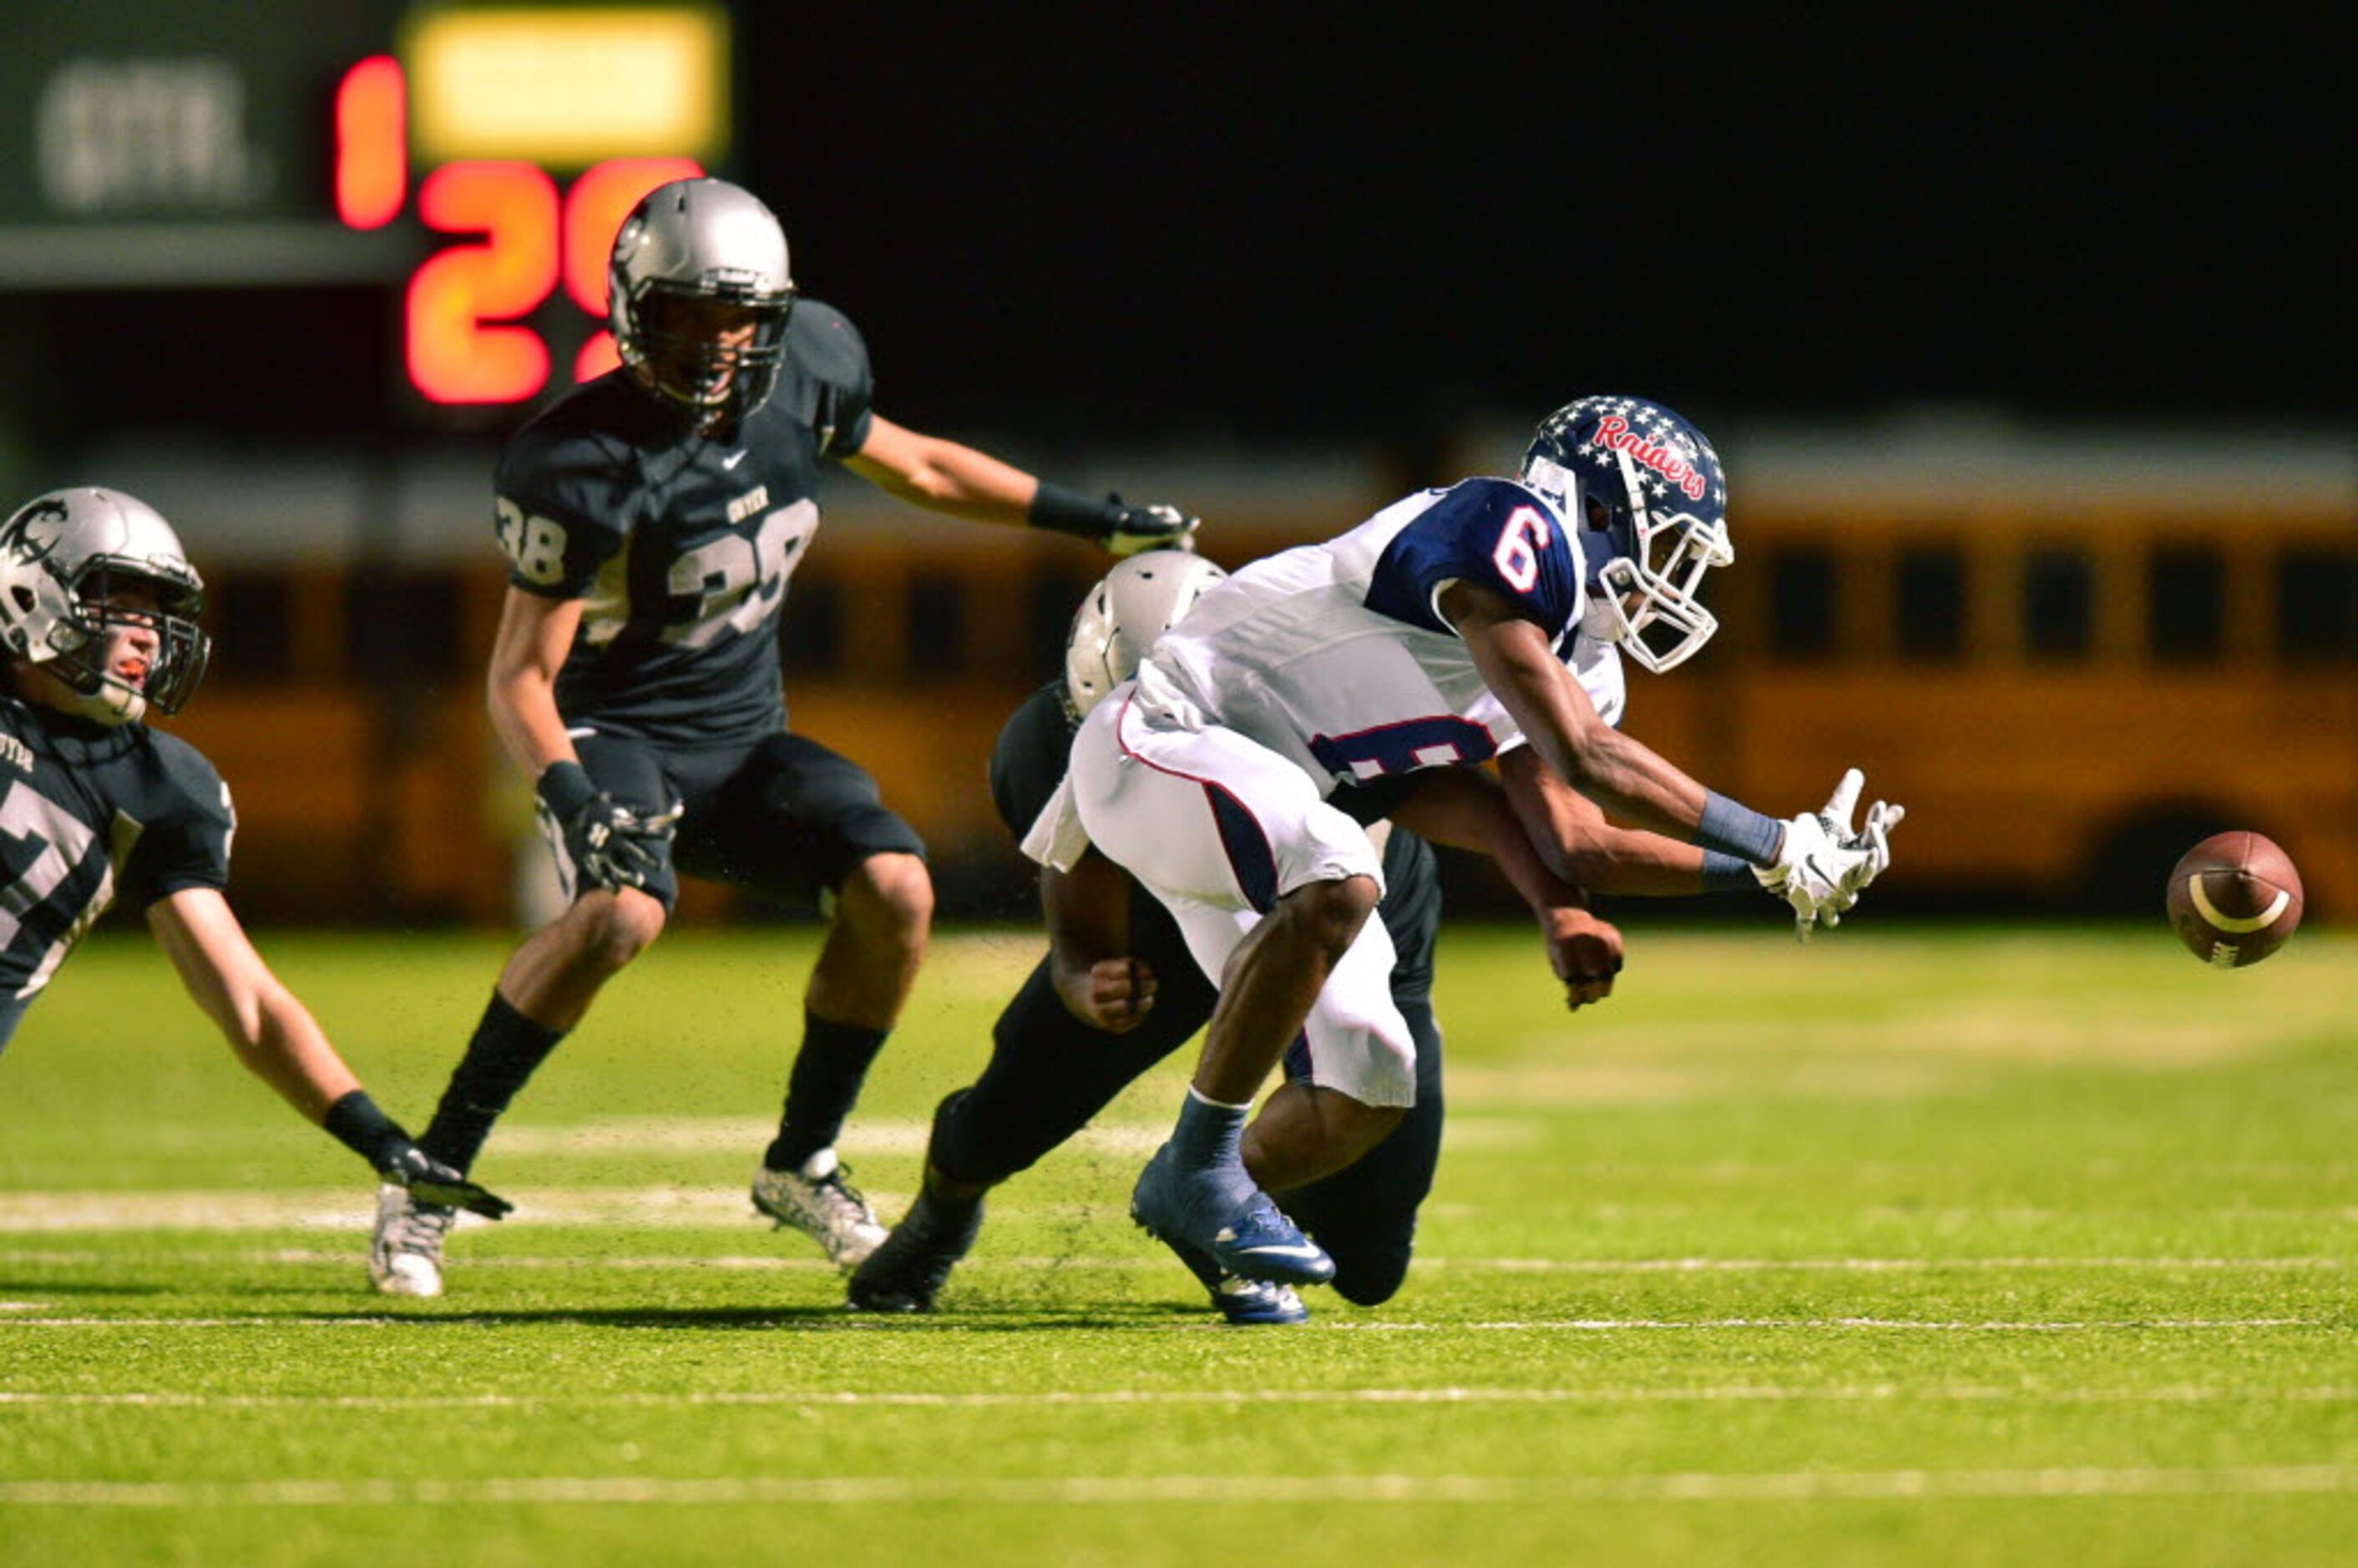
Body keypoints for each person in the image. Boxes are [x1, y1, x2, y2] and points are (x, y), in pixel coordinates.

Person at [369, 175, 1198, 1297]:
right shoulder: (579, 460)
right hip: (619, 735)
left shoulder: (811, 363)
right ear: (630, 312)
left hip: (748, 745)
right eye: (685, 316)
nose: (714, 345)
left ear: (773, 317)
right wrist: (570, 797)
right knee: (617, 913)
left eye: (736, 318)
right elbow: (520, 673)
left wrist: (1085, 517)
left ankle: (803, 1159)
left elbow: (919, 465)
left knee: (899, 886)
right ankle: (427, 1179)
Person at [1040, 395, 1902, 1287]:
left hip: (1264, 818)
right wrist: (1773, 838)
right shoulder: (1506, 524)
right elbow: (1588, 756)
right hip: (1164, 741)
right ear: (1602, 510)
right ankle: (1200, 1170)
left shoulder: (1582, 660)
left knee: (1372, 1082)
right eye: (1670, 547)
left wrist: (1766, 878)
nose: (1672, 580)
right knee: (1341, 872)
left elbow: (1578, 843)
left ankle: (1207, 1215)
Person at [849, 552, 1625, 1323]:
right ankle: (941, 1213)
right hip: (1165, 911)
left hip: (1346, 917)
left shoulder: (1323, 693)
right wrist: (1085, 977)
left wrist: (1558, 904)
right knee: (1016, 1103)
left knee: (1366, 1261)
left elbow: (1469, 800)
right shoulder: (1056, 746)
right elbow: (1077, 897)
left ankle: (1213, 1207)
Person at [0, 487, 511, 1253]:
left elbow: (247, 1000)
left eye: (159, 614)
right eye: (125, 606)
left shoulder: (157, 789)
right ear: (33, 594)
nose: (149, 639)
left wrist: (379, 1139)